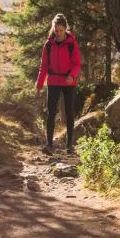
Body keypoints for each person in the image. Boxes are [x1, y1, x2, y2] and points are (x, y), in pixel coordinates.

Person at [35, 13, 81, 155]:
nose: (59, 33)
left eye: (61, 30)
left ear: (65, 29)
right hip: (54, 81)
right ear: (54, 29)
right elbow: (43, 67)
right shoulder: (48, 45)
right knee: (51, 112)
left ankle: (69, 145)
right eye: (57, 30)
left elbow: (77, 64)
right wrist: (39, 85)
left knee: (69, 112)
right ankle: (49, 144)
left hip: (68, 82)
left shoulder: (72, 43)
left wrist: (72, 75)